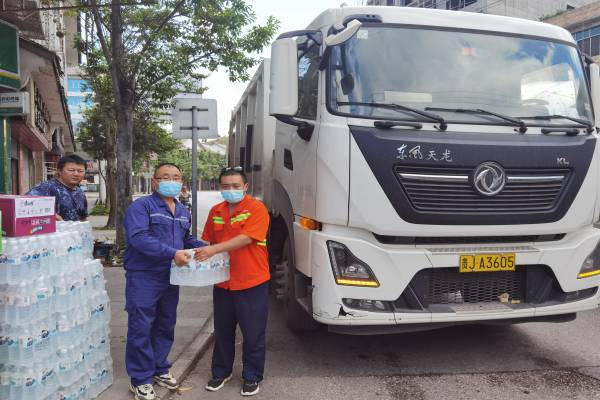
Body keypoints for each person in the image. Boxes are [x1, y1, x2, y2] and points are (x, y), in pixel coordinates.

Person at [123, 163, 205, 400]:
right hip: (144, 275)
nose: (172, 181)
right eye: (165, 177)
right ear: (155, 182)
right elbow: (139, 238)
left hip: (171, 276)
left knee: (165, 324)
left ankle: (159, 368)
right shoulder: (142, 207)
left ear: (182, 182)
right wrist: (172, 253)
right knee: (141, 326)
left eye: (176, 177)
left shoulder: (183, 211)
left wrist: (206, 248)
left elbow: (185, 239)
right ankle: (140, 379)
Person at [196, 166, 270, 397]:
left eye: (236, 186)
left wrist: (213, 250)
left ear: (245, 186)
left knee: (253, 333)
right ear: (221, 187)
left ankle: (252, 375)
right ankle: (221, 372)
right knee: (222, 331)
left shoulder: (256, 208)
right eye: (226, 186)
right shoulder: (216, 211)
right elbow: (209, 241)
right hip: (223, 282)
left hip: (252, 281)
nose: (231, 189)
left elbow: (247, 238)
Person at [27, 154, 88, 221]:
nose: (76, 174)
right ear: (59, 171)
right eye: (71, 170)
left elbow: (83, 217)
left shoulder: (80, 192)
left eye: (80, 171)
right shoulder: (47, 187)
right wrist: (50, 215)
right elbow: (25, 204)